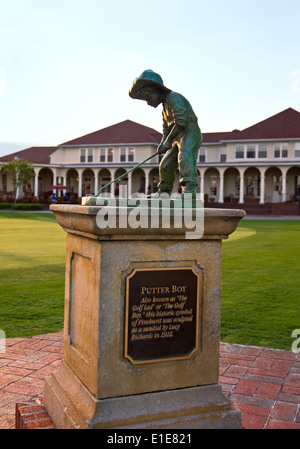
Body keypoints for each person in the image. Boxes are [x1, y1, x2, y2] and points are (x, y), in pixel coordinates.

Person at [129, 70, 202, 197]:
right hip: (177, 136)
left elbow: (181, 122)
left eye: (148, 98)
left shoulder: (173, 97)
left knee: (185, 157)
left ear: (155, 91)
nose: (148, 102)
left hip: (190, 132)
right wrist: (163, 142)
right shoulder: (164, 109)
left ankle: (189, 191)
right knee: (166, 163)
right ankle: (164, 192)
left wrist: (168, 141)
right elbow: (166, 129)